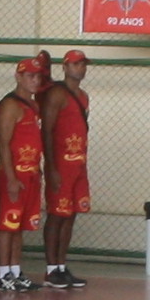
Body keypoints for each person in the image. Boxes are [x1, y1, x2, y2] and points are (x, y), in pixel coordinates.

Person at [0, 51, 52, 290]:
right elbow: (4, 143)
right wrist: (10, 177)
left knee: (20, 227)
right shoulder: (11, 105)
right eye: (30, 76)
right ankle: (3, 274)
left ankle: (15, 271)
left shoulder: (33, 105)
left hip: (31, 174)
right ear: (18, 77)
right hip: (15, 175)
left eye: (38, 76)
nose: (35, 80)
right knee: (8, 225)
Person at [42, 46, 94, 286]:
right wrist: (51, 166)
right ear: (64, 67)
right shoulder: (57, 94)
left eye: (83, 64)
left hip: (78, 164)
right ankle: (51, 267)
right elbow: (47, 130)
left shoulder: (83, 96)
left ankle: (62, 265)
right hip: (61, 164)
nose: (80, 68)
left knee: (71, 214)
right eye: (75, 64)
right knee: (57, 215)